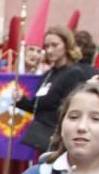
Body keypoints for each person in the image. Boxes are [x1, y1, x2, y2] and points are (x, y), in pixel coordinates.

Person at [13, 26, 91, 154]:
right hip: (41, 139)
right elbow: (37, 106)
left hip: (58, 142)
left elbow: (71, 110)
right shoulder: (48, 74)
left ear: (66, 45)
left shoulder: (74, 73)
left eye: (54, 45)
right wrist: (20, 99)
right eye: (47, 46)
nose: (49, 50)